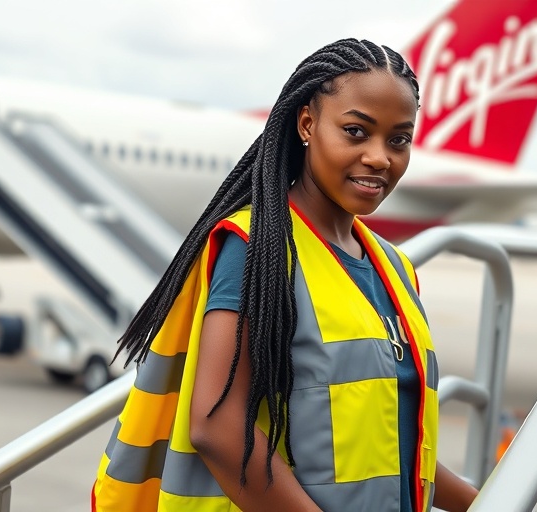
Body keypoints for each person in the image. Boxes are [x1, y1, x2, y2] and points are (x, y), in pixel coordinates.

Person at [92, 39, 479, 512]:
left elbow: (391, 435)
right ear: (307, 124)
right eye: (356, 131)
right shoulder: (259, 249)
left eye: (398, 139)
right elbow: (216, 426)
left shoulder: (395, 267)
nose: (380, 157)